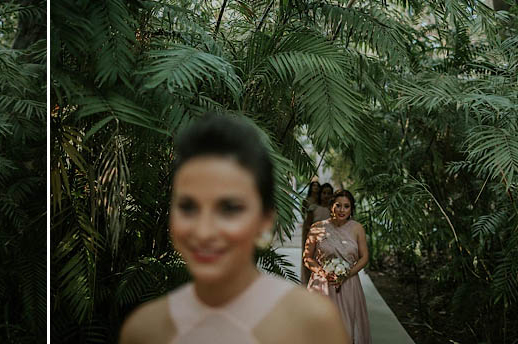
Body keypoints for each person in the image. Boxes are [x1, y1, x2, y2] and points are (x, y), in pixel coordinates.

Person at [120, 114, 348, 344]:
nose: (204, 231)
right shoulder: (144, 330)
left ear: (265, 219)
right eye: (188, 207)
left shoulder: (314, 324)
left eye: (229, 209)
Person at [303, 190, 370, 344]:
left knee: (346, 328)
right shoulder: (317, 227)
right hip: (321, 285)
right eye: (338, 205)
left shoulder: (357, 228)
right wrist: (322, 273)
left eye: (346, 206)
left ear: (351, 209)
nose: (341, 210)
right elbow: (307, 257)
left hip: (349, 284)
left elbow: (364, 257)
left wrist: (347, 274)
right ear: (331, 206)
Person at [299, 181, 321, 285]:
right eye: (314, 186)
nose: (315, 188)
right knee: (307, 252)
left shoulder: (320, 200)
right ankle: (306, 279)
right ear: (311, 187)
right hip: (308, 227)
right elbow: (303, 212)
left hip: (320, 228)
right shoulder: (306, 200)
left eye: (317, 186)